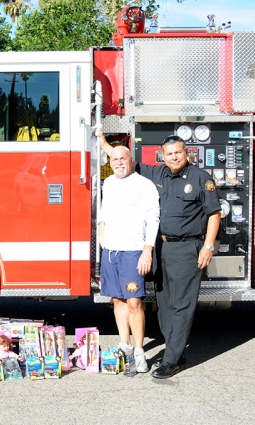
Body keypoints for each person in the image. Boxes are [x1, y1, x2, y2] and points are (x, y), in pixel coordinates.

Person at [98, 132, 221, 378]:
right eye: (169, 154)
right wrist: (102, 143)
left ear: (187, 153)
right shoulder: (158, 173)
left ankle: (171, 359)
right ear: (162, 156)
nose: (174, 157)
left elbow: (214, 213)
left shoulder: (201, 178)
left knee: (181, 305)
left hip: (188, 249)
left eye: (178, 152)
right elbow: (122, 160)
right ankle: (176, 348)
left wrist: (208, 247)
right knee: (164, 306)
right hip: (162, 248)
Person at [97, 145, 160, 374]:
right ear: (110, 162)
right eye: (114, 159)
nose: (119, 163)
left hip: (133, 251)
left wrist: (147, 250)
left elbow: (153, 218)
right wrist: (102, 227)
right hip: (111, 252)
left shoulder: (144, 185)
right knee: (117, 300)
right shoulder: (109, 183)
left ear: (131, 160)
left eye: (123, 158)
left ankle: (139, 351)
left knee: (134, 302)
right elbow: (105, 209)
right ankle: (124, 345)